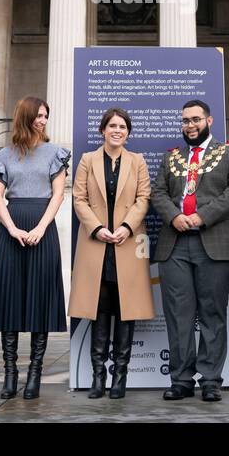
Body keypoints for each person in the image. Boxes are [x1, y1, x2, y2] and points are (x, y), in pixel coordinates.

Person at [151, 99, 229, 402]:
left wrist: (202, 215)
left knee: (212, 312)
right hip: (175, 243)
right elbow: (158, 192)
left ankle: (210, 379)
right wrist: (175, 216)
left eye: (195, 119)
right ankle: (181, 379)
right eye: (185, 121)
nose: (189, 125)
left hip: (216, 241)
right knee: (178, 315)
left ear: (209, 121)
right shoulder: (172, 158)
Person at [0, 96, 70, 399]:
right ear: (26, 117)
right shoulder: (4, 155)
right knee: (10, 300)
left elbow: (58, 195)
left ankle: (35, 372)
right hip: (12, 229)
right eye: (38, 116)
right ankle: (10, 372)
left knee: (40, 299)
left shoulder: (55, 153)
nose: (43, 121)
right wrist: (11, 228)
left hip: (42, 229)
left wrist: (40, 228)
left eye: (46, 116)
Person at [68, 108, 155, 399]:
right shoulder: (87, 161)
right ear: (103, 129)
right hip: (96, 244)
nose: (117, 130)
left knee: (126, 310)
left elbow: (144, 198)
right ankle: (97, 378)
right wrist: (97, 228)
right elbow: (78, 198)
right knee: (99, 309)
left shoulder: (138, 161)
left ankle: (120, 377)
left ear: (128, 132)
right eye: (112, 125)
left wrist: (127, 227)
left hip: (127, 244)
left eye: (122, 126)